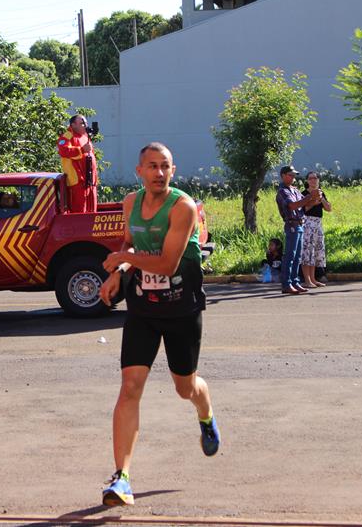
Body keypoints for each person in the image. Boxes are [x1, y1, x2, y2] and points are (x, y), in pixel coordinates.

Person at [98, 142, 218, 508]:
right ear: (139, 171)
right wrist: (119, 272)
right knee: (130, 387)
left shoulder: (182, 208)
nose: (159, 173)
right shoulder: (131, 203)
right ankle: (122, 478)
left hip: (181, 309)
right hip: (144, 309)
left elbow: (167, 264)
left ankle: (206, 413)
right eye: (152, 166)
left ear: (173, 170)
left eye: (165, 166)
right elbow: (131, 243)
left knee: (185, 387)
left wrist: (121, 258)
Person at [275, 165, 316, 295]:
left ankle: (295, 281)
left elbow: (303, 205)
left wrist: (315, 199)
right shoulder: (282, 191)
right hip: (292, 225)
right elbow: (292, 206)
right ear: (283, 175)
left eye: (294, 175)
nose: (293, 178)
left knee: (297, 256)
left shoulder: (294, 190)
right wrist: (310, 197)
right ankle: (287, 283)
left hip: (300, 224)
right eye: (290, 175)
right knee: (290, 256)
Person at [57, 114, 98, 213]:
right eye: (82, 123)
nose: (86, 125)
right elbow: (64, 150)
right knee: (79, 212)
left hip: (90, 181)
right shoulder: (68, 136)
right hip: (77, 182)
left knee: (91, 210)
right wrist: (81, 150)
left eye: (86, 123)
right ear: (73, 125)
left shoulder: (85, 136)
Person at [300, 172, 332, 287]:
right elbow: (303, 210)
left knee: (315, 252)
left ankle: (313, 279)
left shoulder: (321, 192)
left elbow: (329, 208)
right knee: (307, 251)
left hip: (318, 223)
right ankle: (307, 280)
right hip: (307, 222)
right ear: (307, 181)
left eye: (315, 178)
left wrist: (321, 199)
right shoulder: (303, 194)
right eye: (310, 178)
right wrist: (313, 201)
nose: (313, 180)